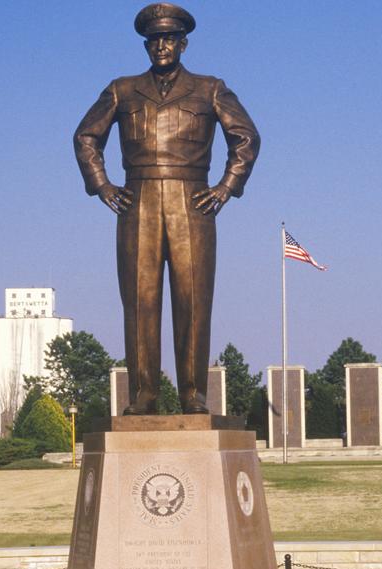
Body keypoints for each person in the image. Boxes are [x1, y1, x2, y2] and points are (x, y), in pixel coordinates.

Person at [74, 3, 259, 414]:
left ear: (183, 44)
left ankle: (193, 393)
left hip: (192, 201)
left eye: (169, 39)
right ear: (146, 45)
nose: (161, 46)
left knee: (193, 301)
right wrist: (101, 184)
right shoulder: (122, 90)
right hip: (136, 200)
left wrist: (226, 187)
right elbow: (86, 137)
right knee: (140, 302)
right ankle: (143, 394)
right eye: (154, 40)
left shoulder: (210, 89)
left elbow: (246, 137)